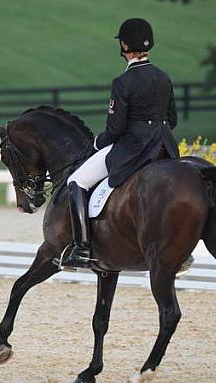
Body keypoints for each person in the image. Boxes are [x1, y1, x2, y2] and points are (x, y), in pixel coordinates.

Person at [61, 18, 180, 269]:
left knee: (76, 181)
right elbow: (173, 119)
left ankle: (81, 249)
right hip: (163, 147)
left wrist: (95, 143)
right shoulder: (163, 77)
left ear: (125, 45)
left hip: (134, 149)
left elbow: (114, 131)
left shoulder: (122, 82)